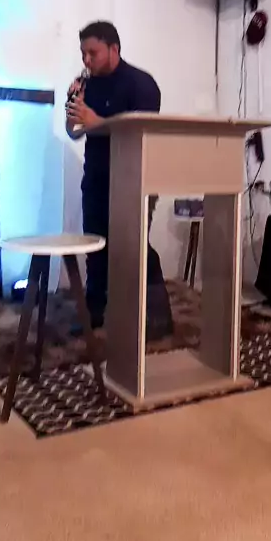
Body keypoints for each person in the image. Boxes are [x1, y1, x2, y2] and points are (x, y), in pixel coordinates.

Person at [65, 20, 171, 336]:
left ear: (114, 48)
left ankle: (157, 317)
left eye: (92, 53)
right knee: (95, 247)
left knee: (133, 248)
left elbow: (139, 134)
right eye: (83, 53)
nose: (86, 60)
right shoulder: (87, 84)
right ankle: (94, 312)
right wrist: (74, 111)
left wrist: (95, 120)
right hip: (96, 177)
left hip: (135, 178)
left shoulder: (141, 84)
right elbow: (74, 131)